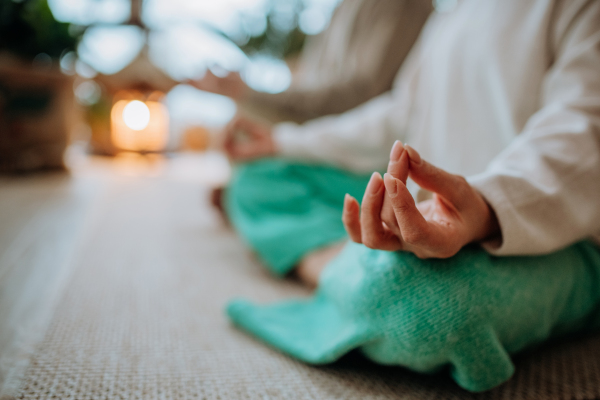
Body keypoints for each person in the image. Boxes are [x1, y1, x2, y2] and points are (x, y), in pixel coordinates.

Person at [225, 0, 600, 391]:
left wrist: (486, 207)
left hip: (556, 231)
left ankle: (337, 267)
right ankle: (341, 266)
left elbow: (586, 132)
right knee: (257, 179)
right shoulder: (452, 14)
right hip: (433, 208)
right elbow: (399, 114)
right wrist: (285, 141)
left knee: (431, 310)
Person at [192, 0, 432, 123]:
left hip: (352, 140)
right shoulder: (342, 9)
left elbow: (360, 96)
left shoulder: (399, 5)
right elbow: (311, 79)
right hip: (325, 130)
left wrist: (251, 93)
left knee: (251, 186)